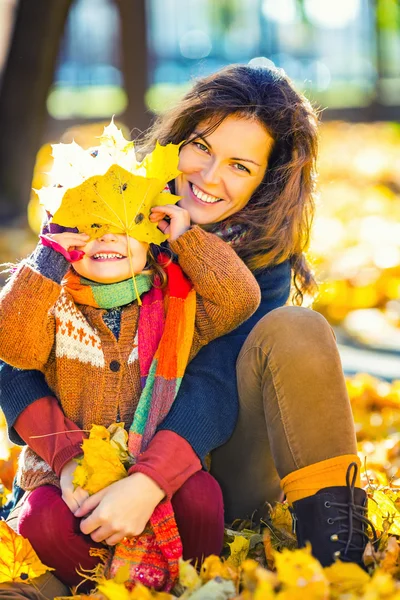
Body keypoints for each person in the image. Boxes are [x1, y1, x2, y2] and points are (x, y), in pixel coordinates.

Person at [0, 63, 374, 598]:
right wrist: (69, 464)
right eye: (201, 146)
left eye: (240, 166)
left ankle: (339, 562)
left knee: (298, 327)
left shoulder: (261, 259)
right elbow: (16, 356)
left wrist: (148, 482)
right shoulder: (106, 221)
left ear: (265, 179)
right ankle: (81, 577)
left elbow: (216, 379)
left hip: (211, 473)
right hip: (88, 470)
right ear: (177, 139)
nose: (210, 175)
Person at [0, 140, 261, 593]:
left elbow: (241, 298)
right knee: (40, 522)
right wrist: (47, 259)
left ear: (153, 234)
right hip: (71, 477)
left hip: (155, 469)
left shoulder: (177, 305)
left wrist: (187, 236)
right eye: (89, 225)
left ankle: (183, 583)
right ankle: (107, 584)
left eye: (126, 225)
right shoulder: (50, 304)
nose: (107, 236)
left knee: (202, 498)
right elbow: (11, 345)